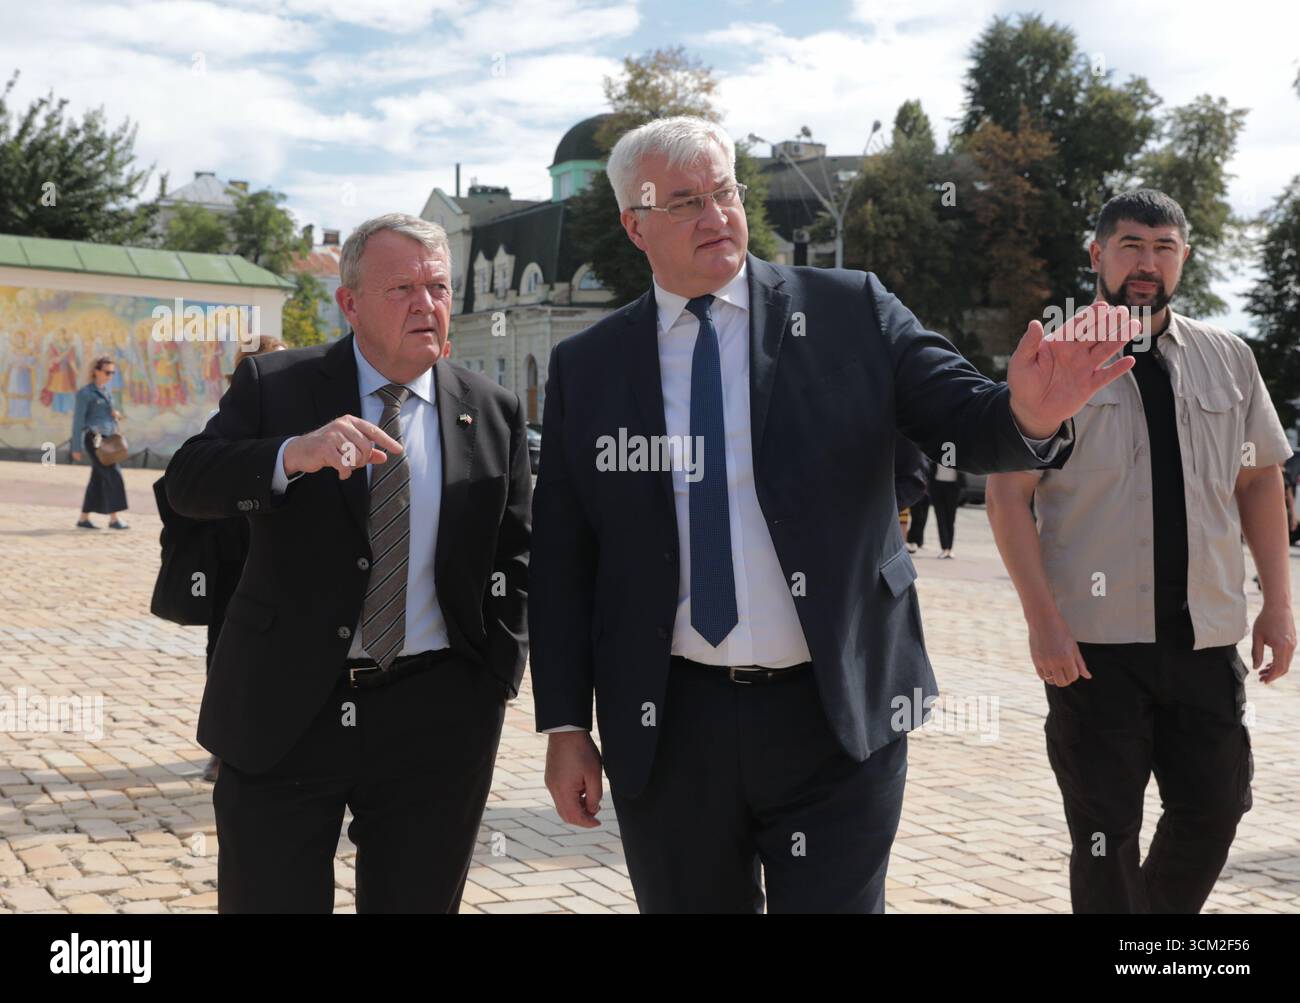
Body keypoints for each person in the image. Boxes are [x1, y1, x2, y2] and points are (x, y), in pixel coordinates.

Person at [529, 116, 1138, 913]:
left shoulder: (851, 310)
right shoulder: (592, 365)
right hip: (671, 725)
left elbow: (965, 413)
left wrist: (1029, 413)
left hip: (837, 707)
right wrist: (567, 725)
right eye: (683, 203)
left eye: (724, 192)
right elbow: (563, 560)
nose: (716, 216)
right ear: (632, 224)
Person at [165, 214, 531, 913]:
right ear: (350, 303)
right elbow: (188, 481)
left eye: (438, 286)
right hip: (289, 708)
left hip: (436, 715)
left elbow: (514, 553)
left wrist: (493, 684)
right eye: (403, 288)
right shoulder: (277, 384)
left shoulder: (491, 410)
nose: (427, 304)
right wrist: (292, 454)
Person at [986, 189, 1294, 913]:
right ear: (1097, 255)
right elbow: (1007, 496)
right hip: (1094, 650)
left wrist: (1279, 605)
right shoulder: (1053, 361)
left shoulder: (1229, 360)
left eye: (1163, 247)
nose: (1146, 263)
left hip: (1205, 636)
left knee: (1217, 808)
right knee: (1105, 833)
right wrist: (1043, 621)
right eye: (1130, 245)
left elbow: (1258, 481)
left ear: (1183, 258)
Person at [199, 336, 286, 783]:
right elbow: (193, 478)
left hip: (276, 547)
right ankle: (223, 745)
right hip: (233, 544)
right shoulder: (229, 417)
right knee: (226, 642)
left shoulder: (301, 408)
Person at [71, 356, 128, 530]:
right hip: (95, 440)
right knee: (114, 475)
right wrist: (76, 447)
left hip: (109, 439)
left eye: (112, 373)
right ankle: (113, 519)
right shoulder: (85, 393)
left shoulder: (106, 391)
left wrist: (114, 414)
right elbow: (78, 421)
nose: (110, 376)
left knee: (97, 479)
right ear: (96, 371)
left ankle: (83, 518)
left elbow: (103, 413)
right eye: (107, 372)